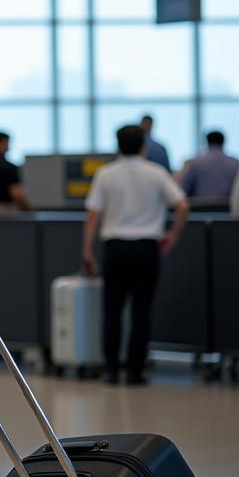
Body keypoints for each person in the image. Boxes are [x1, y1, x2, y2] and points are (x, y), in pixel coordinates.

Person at [82, 124, 188, 386]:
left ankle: (111, 370)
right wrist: (172, 235)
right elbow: (182, 204)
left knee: (112, 311)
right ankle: (135, 371)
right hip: (146, 249)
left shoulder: (105, 174)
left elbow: (93, 215)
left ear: (117, 146)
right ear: (144, 145)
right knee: (141, 311)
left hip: (115, 248)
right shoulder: (157, 173)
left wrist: (87, 250)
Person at [178, 131, 239, 200]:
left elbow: (184, 189)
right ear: (223, 142)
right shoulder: (235, 164)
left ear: (207, 142)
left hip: (199, 208)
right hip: (228, 208)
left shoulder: (195, 163)